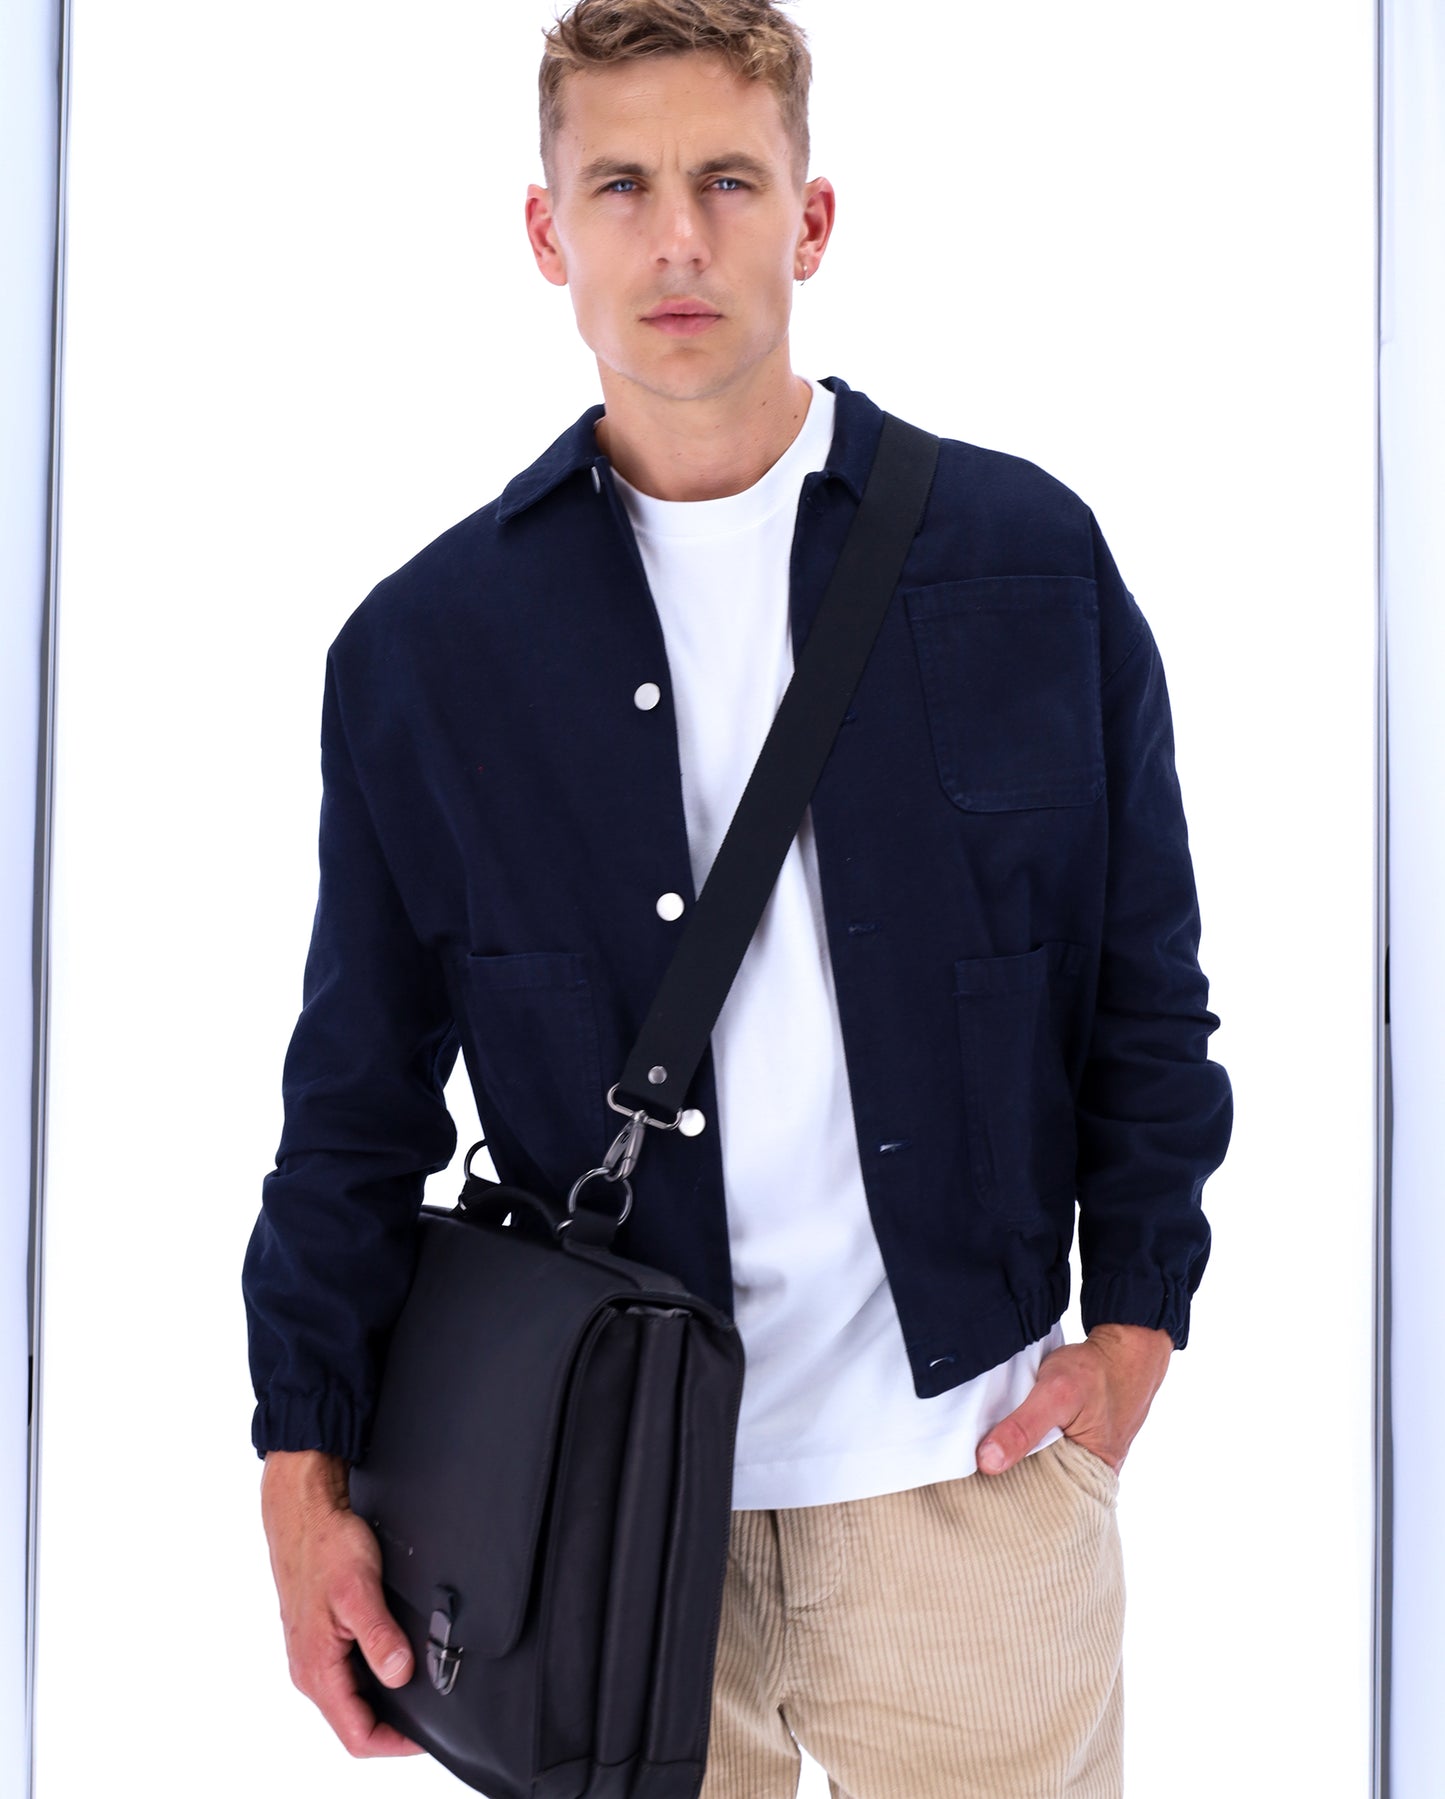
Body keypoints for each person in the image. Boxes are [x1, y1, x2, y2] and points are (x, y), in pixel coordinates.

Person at [242, 2, 1233, 1794]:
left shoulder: (1026, 564)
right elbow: (354, 1106)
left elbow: (1141, 990)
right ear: (545, 230)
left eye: (726, 179)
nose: (677, 238)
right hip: (594, 1514)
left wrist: (1136, 1331)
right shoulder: (426, 651)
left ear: (812, 217)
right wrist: (299, 1482)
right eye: (619, 185)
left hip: (968, 1484)